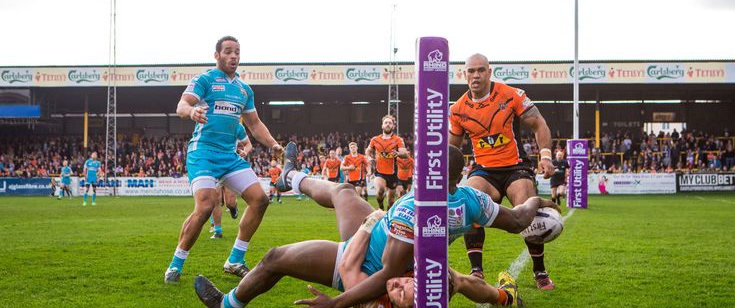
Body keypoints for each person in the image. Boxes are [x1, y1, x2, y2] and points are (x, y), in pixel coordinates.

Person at [193, 144, 555, 308]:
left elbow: (385, 275)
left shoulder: (413, 211)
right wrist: (539, 200)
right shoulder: (468, 200)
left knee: (275, 257)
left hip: (367, 262)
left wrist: (337, 303)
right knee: (343, 190)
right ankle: (291, 175)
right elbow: (519, 218)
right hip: (378, 238)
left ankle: (227, 305)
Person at [164, 36, 285, 284]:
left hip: (229, 156)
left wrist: (272, 143)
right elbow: (181, 105)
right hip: (203, 153)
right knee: (206, 205)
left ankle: (235, 260)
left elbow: (254, 124)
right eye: (228, 52)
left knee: (260, 200)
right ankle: (175, 265)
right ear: (217, 55)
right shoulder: (204, 80)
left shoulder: (244, 90)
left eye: (237, 52)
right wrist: (191, 111)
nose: (233, 56)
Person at [449, 53, 557, 290]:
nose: (475, 75)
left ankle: (540, 271)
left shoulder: (512, 95)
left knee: (527, 208)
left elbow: (539, 123)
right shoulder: (457, 109)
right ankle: (476, 271)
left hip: (516, 167)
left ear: (489, 72)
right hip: (483, 171)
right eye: (471, 71)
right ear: (463, 74)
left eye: (480, 70)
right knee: (470, 201)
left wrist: (546, 157)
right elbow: (451, 148)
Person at [210, 124, 252, 239]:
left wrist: (244, 151)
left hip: (229, 166)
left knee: (229, 202)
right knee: (215, 199)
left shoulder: (235, 126)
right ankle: (218, 231)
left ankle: (233, 207)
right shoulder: (212, 125)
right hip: (215, 167)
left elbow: (247, 144)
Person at [366, 115, 408, 210]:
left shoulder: (398, 140)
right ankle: (381, 208)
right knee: (380, 190)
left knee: (391, 201)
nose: (388, 124)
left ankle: (387, 215)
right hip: (379, 172)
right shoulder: (375, 139)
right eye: (386, 123)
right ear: (382, 125)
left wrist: (398, 153)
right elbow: (368, 150)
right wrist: (369, 157)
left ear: (393, 126)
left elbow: (405, 154)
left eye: (390, 123)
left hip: (392, 173)